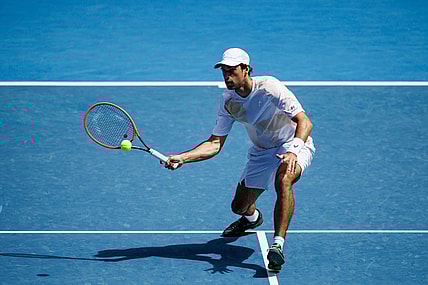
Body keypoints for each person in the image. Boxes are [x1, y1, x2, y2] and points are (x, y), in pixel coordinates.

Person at [165, 48, 315, 271]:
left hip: (292, 144)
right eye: (224, 71)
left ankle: (277, 246)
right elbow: (215, 143)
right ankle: (252, 218)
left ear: (245, 69)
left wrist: (293, 150)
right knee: (239, 206)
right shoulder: (228, 102)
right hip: (261, 152)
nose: (227, 76)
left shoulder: (269, 87)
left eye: (232, 70)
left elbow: (304, 122)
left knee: (283, 179)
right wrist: (183, 157)